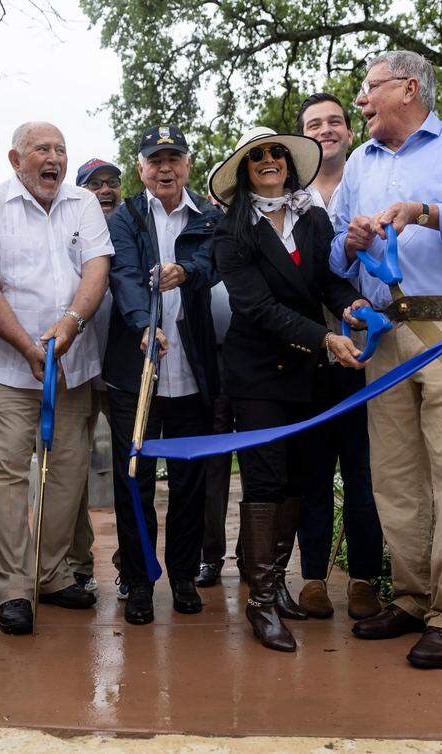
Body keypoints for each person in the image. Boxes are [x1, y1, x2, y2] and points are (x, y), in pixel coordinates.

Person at [331, 51, 442, 668]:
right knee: (395, 476)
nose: (360, 100)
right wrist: (349, 243)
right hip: (385, 332)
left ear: (408, 89)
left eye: (369, 88)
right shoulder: (359, 161)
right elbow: (336, 252)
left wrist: (424, 213)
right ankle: (409, 598)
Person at [209, 126, 366, 652]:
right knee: (265, 481)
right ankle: (260, 602)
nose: (271, 160)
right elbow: (257, 308)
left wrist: (349, 306)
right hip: (257, 376)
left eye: (278, 152)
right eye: (258, 155)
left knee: (299, 478)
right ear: (245, 169)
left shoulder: (313, 219)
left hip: (309, 373)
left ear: (290, 164)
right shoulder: (230, 233)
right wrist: (324, 336)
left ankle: (277, 588)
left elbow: (327, 283)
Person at [0, 122, 113, 635]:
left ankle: (52, 575)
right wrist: (29, 347)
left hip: (72, 369)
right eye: (42, 149)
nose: (54, 158)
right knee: (6, 480)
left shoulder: (83, 205)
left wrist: (70, 325)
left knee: (67, 476)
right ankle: (13, 591)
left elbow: (97, 270)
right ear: (15, 158)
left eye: (61, 150)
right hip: (6, 372)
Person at [104, 125, 222, 626]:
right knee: (135, 480)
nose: (165, 169)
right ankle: (139, 578)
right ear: (141, 169)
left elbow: (211, 261)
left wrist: (187, 272)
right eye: (156, 161)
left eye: (174, 159)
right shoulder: (127, 216)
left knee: (191, 482)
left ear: (189, 165)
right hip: (136, 372)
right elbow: (125, 275)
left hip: (192, 373)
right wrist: (144, 326)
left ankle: (181, 577)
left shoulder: (210, 217)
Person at [292, 93, 384, 620]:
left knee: (364, 472)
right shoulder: (293, 197)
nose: (326, 130)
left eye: (334, 122)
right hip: (308, 354)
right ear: (302, 137)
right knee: (313, 473)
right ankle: (312, 579)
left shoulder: (369, 184)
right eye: (314, 124)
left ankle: (365, 577)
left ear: (350, 132)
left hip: (367, 355)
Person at [67, 158, 122, 594]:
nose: (105, 190)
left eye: (111, 183)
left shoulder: (132, 228)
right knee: (72, 471)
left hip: (122, 371)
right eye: (95, 184)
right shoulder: (67, 229)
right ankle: (77, 564)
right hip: (80, 368)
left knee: (128, 471)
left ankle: (129, 563)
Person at [196, 162, 240, 589]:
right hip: (211, 360)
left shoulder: (261, 225)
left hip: (259, 362)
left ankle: (253, 554)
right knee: (212, 466)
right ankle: (209, 556)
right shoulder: (203, 228)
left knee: (264, 463)